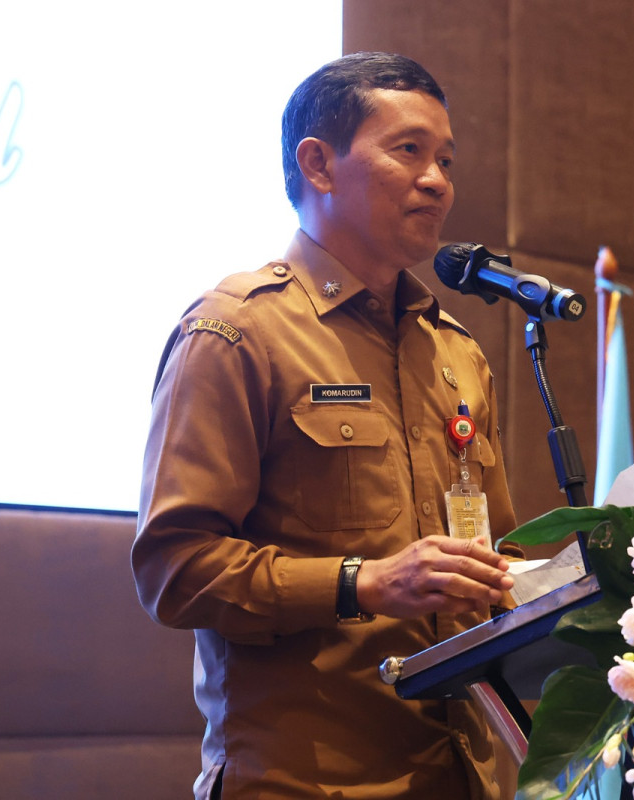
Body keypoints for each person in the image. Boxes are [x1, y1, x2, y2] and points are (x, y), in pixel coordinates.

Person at [132, 52, 522, 799]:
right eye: (409, 151)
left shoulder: (457, 353)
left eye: (445, 159)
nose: (438, 179)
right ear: (318, 164)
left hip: (460, 775)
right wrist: (366, 583)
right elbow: (173, 571)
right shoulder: (236, 333)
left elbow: (489, 556)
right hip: (306, 781)